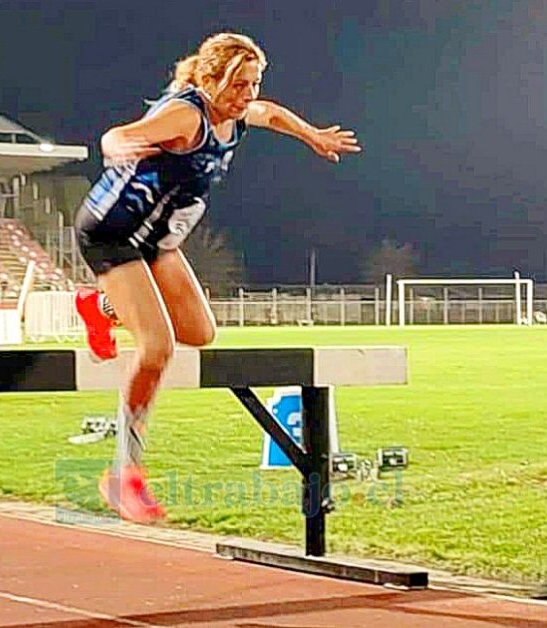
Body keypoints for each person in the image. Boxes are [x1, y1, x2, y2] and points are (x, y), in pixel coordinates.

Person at [74, 32, 362, 523]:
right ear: (208, 81)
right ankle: (123, 472)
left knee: (200, 332)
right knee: (157, 347)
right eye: (237, 86)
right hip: (114, 233)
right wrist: (123, 146)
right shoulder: (187, 114)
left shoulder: (236, 112)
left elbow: (269, 112)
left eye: (253, 83)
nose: (246, 96)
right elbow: (116, 136)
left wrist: (312, 135)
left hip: (158, 239)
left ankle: (97, 307)